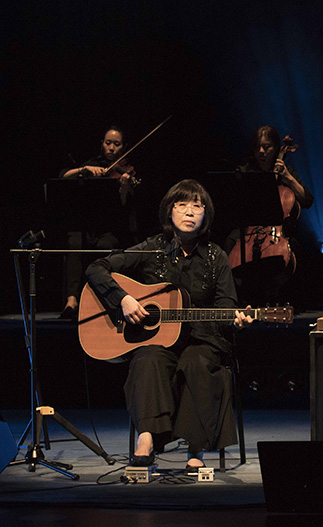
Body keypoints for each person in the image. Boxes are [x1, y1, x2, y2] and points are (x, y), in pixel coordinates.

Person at [85, 179, 253, 473]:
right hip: (157, 342)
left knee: (196, 361)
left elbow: (227, 305)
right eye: (182, 205)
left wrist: (236, 319)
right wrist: (122, 299)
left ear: (206, 216)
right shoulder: (152, 249)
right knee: (147, 359)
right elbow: (96, 268)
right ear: (169, 212)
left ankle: (196, 448)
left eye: (197, 206)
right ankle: (146, 439)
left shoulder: (217, 257)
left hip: (203, 340)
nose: (190, 212)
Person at [225, 125, 314, 305]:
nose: (261, 151)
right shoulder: (245, 169)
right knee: (229, 242)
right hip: (248, 228)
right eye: (258, 146)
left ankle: (289, 299)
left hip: (278, 231)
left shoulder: (285, 171)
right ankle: (235, 298)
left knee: (295, 247)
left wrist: (288, 177)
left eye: (267, 147)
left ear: (275, 148)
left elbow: (307, 201)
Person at [59, 126, 137, 319]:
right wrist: (83, 170)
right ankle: (72, 300)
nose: (111, 148)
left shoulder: (127, 172)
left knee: (105, 245)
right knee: (75, 242)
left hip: (111, 229)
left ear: (124, 147)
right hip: (87, 226)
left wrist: (125, 188)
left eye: (116, 144)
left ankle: (100, 299)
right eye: (107, 143)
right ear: (101, 144)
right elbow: (63, 177)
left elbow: (127, 210)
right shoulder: (92, 165)